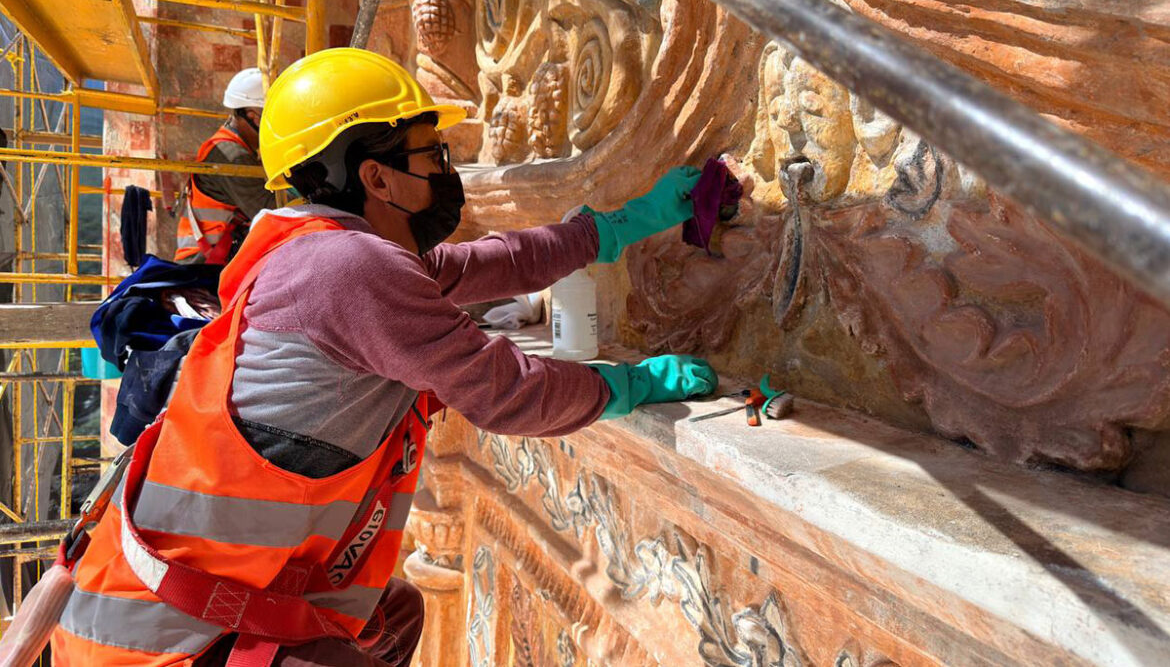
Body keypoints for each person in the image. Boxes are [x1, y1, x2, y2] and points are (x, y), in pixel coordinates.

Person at [51, 48, 718, 666]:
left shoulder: (314, 252)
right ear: (377, 176)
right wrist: (629, 386)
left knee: (388, 614)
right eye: (432, 155)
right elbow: (507, 392)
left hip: (153, 611)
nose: (445, 171)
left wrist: (620, 225)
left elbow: (485, 264)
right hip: (167, 645)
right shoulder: (346, 269)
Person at [174, 68, 276, 265]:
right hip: (204, 262)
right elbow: (269, 209)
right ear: (253, 116)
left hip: (213, 254)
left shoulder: (227, 144)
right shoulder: (232, 156)